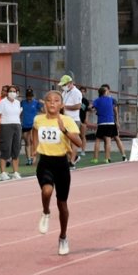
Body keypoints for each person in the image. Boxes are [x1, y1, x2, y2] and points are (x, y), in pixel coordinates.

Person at [32, 90, 84, 256]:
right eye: (48, 100)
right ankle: (46, 212)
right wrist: (35, 148)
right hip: (45, 162)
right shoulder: (38, 119)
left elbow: (80, 142)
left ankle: (63, 237)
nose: (52, 103)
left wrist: (64, 131)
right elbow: (34, 131)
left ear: (61, 105)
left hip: (61, 164)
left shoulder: (67, 121)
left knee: (62, 204)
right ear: (45, 104)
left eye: (56, 100)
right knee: (46, 190)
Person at [92, 85, 127, 163]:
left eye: (107, 89)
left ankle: (123, 155)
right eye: (106, 90)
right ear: (105, 91)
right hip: (109, 122)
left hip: (111, 122)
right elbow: (95, 109)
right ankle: (107, 157)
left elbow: (116, 112)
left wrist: (117, 121)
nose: (107, 91)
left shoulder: (111, 100)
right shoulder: (108, 100)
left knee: (116, 138)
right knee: (107, 140)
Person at [0, 84, 23, 180]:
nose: (12, 93)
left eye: (14, 91)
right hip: (6, 126)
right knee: (5, 149)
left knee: (16, 149)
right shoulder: (2, 102)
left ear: (17, 93)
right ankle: (2, 173)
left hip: (17, 125)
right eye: (10, 91)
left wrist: (19, 125)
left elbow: (18, 115)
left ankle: (15, 172)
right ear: (7, 93)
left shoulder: (18, 103)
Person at [59, 75, 84, 164]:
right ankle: (74, 157)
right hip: (65, 119)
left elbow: (78, 106)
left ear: (70, 83)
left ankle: (72, 161)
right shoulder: (64, 92)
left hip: (74, 120)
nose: (63, 86)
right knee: (65, 141)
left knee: (73, 141)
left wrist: (65, 107)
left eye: (64, 84)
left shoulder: (76, 92)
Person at [20, 87, 40, 165]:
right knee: (27, 142)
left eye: (30, 95)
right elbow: (19, 111)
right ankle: (28, 159)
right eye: (28, 95)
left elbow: (42, 110)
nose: (29, 97)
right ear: (26, 96)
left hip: (33, 125)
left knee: (32, 141)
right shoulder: (22, 102)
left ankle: (33, 157)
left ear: (32, 95)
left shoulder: (36, 103)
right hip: (25, 125)